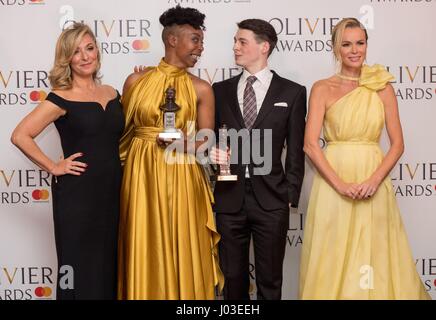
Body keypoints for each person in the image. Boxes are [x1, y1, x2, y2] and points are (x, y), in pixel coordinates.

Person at [299, 18, 430, 300]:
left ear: (367, 45)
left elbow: (397, 145)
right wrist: (340, 185)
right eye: (346, 44)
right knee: (333, 251)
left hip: (374, 178)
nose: (354, 50)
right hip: (333, 181)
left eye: (360, 42)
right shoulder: (322, 88)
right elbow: (310, 145)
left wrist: (373, 180)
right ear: (336, 49)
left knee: (376, 251)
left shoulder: (381, 86)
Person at [10, 22, 124, 300]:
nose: (85, 57)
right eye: (76, 52)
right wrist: (53, 166)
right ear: (66, 58)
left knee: (108, 263)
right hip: (77, 194)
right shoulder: (60, 97)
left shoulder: (112, 92)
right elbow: (20, 135)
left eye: (89, 48)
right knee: (76, 265)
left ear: (98, 50)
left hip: (113, 191)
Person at [117, 5, 223, 300]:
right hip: (141, 176)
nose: (200, 48)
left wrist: (181, 143)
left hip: (182, 174)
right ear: (172, 40)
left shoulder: (202, 88)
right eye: (194, 40)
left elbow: (207, 141)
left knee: (183, 241)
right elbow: (120, 135)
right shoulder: (135, 81)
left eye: (201, 41)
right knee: (144, 240)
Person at [210, 19, 306, 300]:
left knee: (270, 281)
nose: (235, 47)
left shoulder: (293, 92)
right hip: (229, 198)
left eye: (242, 41)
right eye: (235, 41)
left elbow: (296, 149)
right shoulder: (220, 90)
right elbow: (211, 140)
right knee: (232, 281)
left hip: (272, 200)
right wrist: (212, 155)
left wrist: (290, 194)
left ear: (264, 47)